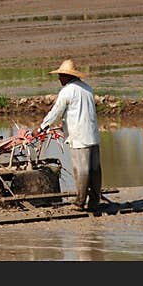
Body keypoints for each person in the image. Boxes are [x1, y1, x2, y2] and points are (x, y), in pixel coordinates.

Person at [37, 59, 102, 214]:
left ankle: (79, 202)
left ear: (67, 76)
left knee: (81, 170)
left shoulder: (67, 91)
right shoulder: (87, 88)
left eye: (60, 75)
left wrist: (41, 127)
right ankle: (94, 201)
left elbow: (56, 112)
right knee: (95, 169)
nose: (59, 78)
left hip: (79, 137)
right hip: (92, 135)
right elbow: (80, 112)